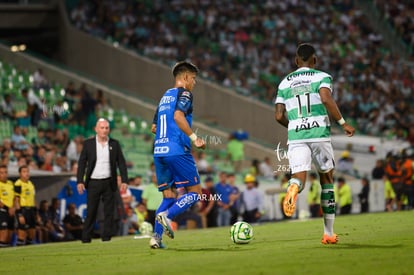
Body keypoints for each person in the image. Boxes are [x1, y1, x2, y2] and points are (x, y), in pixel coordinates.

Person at [274, 43, 355, 244]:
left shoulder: (284, 83)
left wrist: (294, 126)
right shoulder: (322, 77)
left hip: (296, 135)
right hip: (319, 133)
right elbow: (326, 99)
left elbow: (278, 115)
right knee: (326, 180)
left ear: (296, 60)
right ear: (315, 60)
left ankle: (293, 187)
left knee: (299, 177)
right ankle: (328, 233)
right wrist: (343, 123)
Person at [149, 61, 205, 249]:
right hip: (177, 150)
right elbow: (178, 116)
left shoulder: (165, 96)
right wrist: (194, 138)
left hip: (159, 152)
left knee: (168, 197)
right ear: (186, 77)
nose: (194, 83)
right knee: (195, 193)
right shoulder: (185, 93)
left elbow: (154, 127)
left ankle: (156, 238)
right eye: (194, 79)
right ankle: (168, 216)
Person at [76, 118, 128, 243]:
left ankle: (106, 237)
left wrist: (125, 180)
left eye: (106, 128)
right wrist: (80, 181)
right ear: (96, 129)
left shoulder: (114, 144)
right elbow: (82, 163)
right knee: (91, 211)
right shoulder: (88, 144)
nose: (104, 130)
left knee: (109, 211)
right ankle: (86, 237)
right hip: (93, 182)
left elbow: (121, 162)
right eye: (102, 128)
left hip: (109, 182)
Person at [14, 165, 37, 245]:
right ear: (20, 174)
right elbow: (16, 200)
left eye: (27, 172)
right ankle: (19, 253)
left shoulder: (31, 184)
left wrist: (36, 212)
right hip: (23, 210)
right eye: (24, 172)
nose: (26, 174)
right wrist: (19, 214)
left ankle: (28, 253)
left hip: (31, 210)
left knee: (32, 234)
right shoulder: (18, 184)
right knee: (22, 234)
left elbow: (33, 199)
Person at [0, 165, 15, 247]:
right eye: (1, 173)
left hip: (11, 212)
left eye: (5, 172)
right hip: (2, 212)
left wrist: (13, 208)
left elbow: (14, 198)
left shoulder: (10, 183)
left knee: (9, 237)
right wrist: (8, 208)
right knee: (3, 235)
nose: (4, 174)